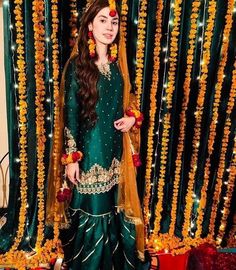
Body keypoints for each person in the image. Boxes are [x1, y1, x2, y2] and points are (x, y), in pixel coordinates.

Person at [47, 0, 145, 269]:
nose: (109, 27)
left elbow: (128, 103)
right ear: (90, 25)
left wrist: (130, 118)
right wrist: (72, 158)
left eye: (113, 22)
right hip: (89, 155)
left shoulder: (117, 68)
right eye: (102, 20)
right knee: (94, 209)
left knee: (113, 209)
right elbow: (70, 116)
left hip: (115, 154)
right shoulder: (78, 68)